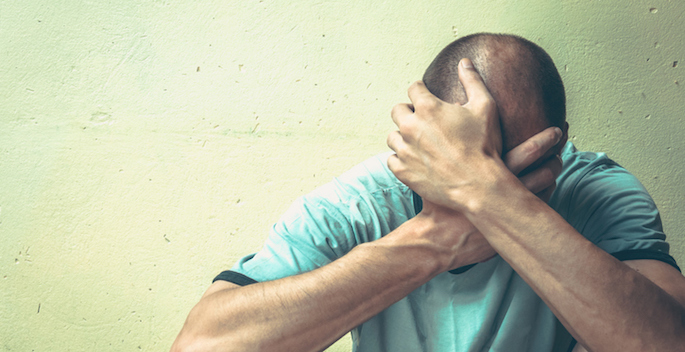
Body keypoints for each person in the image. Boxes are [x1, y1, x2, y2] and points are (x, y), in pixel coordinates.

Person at [171, 33, 685, 352]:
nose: (487, 179)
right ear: (422, 142)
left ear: (559, 145)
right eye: (464, 158)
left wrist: (487, 195)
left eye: (515, 166)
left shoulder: (596, 189)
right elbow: (201, 346)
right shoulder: (359, 203)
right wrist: (437, 238)